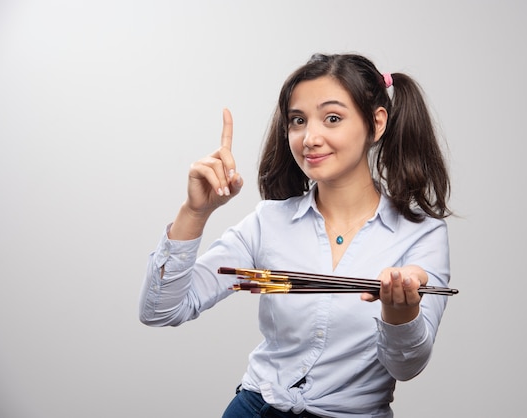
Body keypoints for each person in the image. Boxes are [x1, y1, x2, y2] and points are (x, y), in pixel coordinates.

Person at [139, 53, 452, 418]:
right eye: (298, 121)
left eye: (332, 118)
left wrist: (401, 314)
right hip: (255, 408)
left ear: (376, 123)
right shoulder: (268, 222)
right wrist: (195, 212)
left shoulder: (422, 235)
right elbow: (160, 311)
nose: (309, 138)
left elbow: (407, 367)